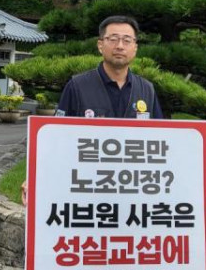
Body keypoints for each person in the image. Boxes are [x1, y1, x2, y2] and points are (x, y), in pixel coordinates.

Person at [21, 15, 163, 205]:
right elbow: (55, 139)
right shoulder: (77, 86)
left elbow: (162, 143)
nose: (120, 46)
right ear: (100, 45)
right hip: (87, 188)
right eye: (113, 39)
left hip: (134, 190)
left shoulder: (147, 89)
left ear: (135, 47)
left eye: (127, 40)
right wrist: (35, 178)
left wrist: (196, 185)